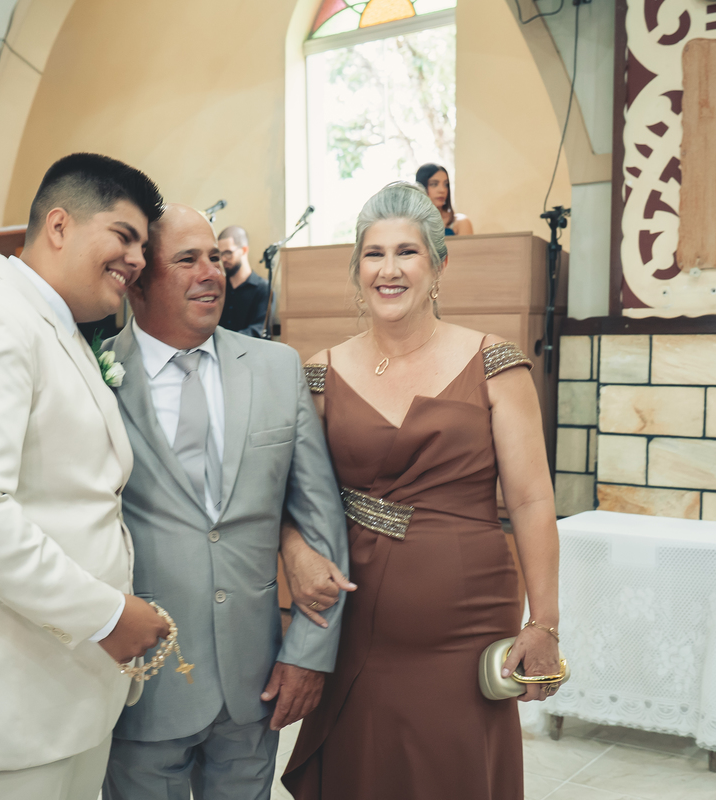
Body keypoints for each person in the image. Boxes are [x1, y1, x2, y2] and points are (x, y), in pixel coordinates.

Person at [0, 203, 353, 800]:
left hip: (253, 675)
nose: (210, 273)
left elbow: (318, 513)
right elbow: (15, 493)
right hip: (134, 675)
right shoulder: (90, 372)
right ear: (138, 282)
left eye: (215, 257)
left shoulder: (276, 368)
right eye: (186, 260)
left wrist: (310, 651)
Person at [0, 153, 171, 800]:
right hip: (1, 710)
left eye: (143, 246)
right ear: (59, 225)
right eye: (124, 236)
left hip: (58, 696)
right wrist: (106, 616)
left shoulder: (55, 327)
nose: (137, 260)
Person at [281, 182, 560, 800]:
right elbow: (288, 498)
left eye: (406, 252)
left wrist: (545, 623)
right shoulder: (320, 373)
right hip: (355, 620)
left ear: (438, 266)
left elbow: (532, 501)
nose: (389, 270)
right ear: (356, 270)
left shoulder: (495, 364)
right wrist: (295, 551)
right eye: (373, 254)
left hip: (465, 625)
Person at [217, 225, 270, 337]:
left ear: (244, 250)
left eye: (228, 252)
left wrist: (227, 340)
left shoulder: (263, 288)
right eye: (220, 254)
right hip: (218, 347)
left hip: (248, 347)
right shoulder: (219, 286)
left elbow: (257, 329)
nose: (223, 259)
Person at [415, 163, 472, 236]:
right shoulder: (410, 222)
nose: (442, 190)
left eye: (446, 184)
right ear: (421, 187)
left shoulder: (460, 222)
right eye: (434, 184)